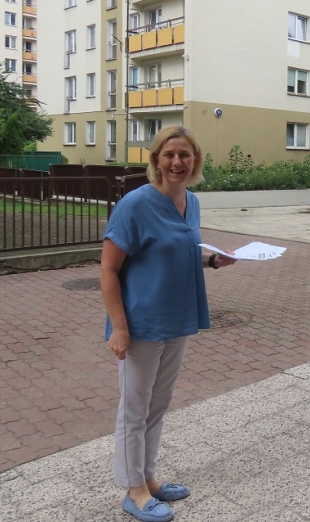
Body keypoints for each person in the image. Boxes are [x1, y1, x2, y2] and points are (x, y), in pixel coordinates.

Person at [100, 126, 234, 522]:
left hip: (177, 318)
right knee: (134, 409)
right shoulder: (134, 205)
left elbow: (181, 251)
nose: (178, 162)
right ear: (156, 160)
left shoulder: (191, 202)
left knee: (157, 405)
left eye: (185, 155)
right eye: (170, 155)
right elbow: (108, 269)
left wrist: (214, 260)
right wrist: (119, 327)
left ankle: (149, 479)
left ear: (195, 160)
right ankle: (134, 491)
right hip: (141, 323)